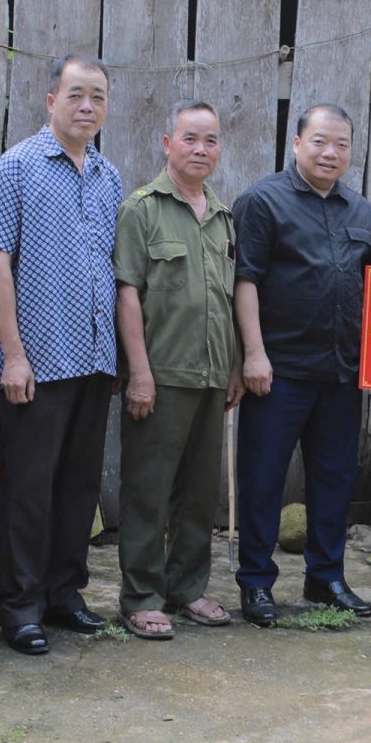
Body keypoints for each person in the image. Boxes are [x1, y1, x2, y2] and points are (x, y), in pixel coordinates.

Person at [0, 55, 123, 656]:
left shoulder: (108, 176)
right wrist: (10, 353)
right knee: (30, 487)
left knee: (79, 485)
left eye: (98, 97)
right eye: (77, 94)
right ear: (50, 99)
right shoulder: (17, 167)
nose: (87, 106)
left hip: (94, 357)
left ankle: (64, 593)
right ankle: (20, 606)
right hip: (38, 356)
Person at [231, 103, 371, 627]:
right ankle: (255, 584)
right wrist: (254, 353)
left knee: (335, 478)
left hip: (343, 372)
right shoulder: (262, 201)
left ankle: (326, 577)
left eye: (341, 144)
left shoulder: (362, 212)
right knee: (263, 478)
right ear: (297, 144)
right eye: (320, 141)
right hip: (279, 370)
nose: (330, 152)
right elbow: (245, 280)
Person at [113, 101, 242, 640]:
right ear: (167, 143)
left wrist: (234, 365)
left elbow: (228, 298)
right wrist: (138, 373)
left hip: (212, 377)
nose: (200, 149)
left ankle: (187, 587)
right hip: (161, 375)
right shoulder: (142, 209)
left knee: (197, 492)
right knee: (148, 489)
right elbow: (127, 294)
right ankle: (141, 596)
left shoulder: (222, 215)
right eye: (190, 139)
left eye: (210, 141)